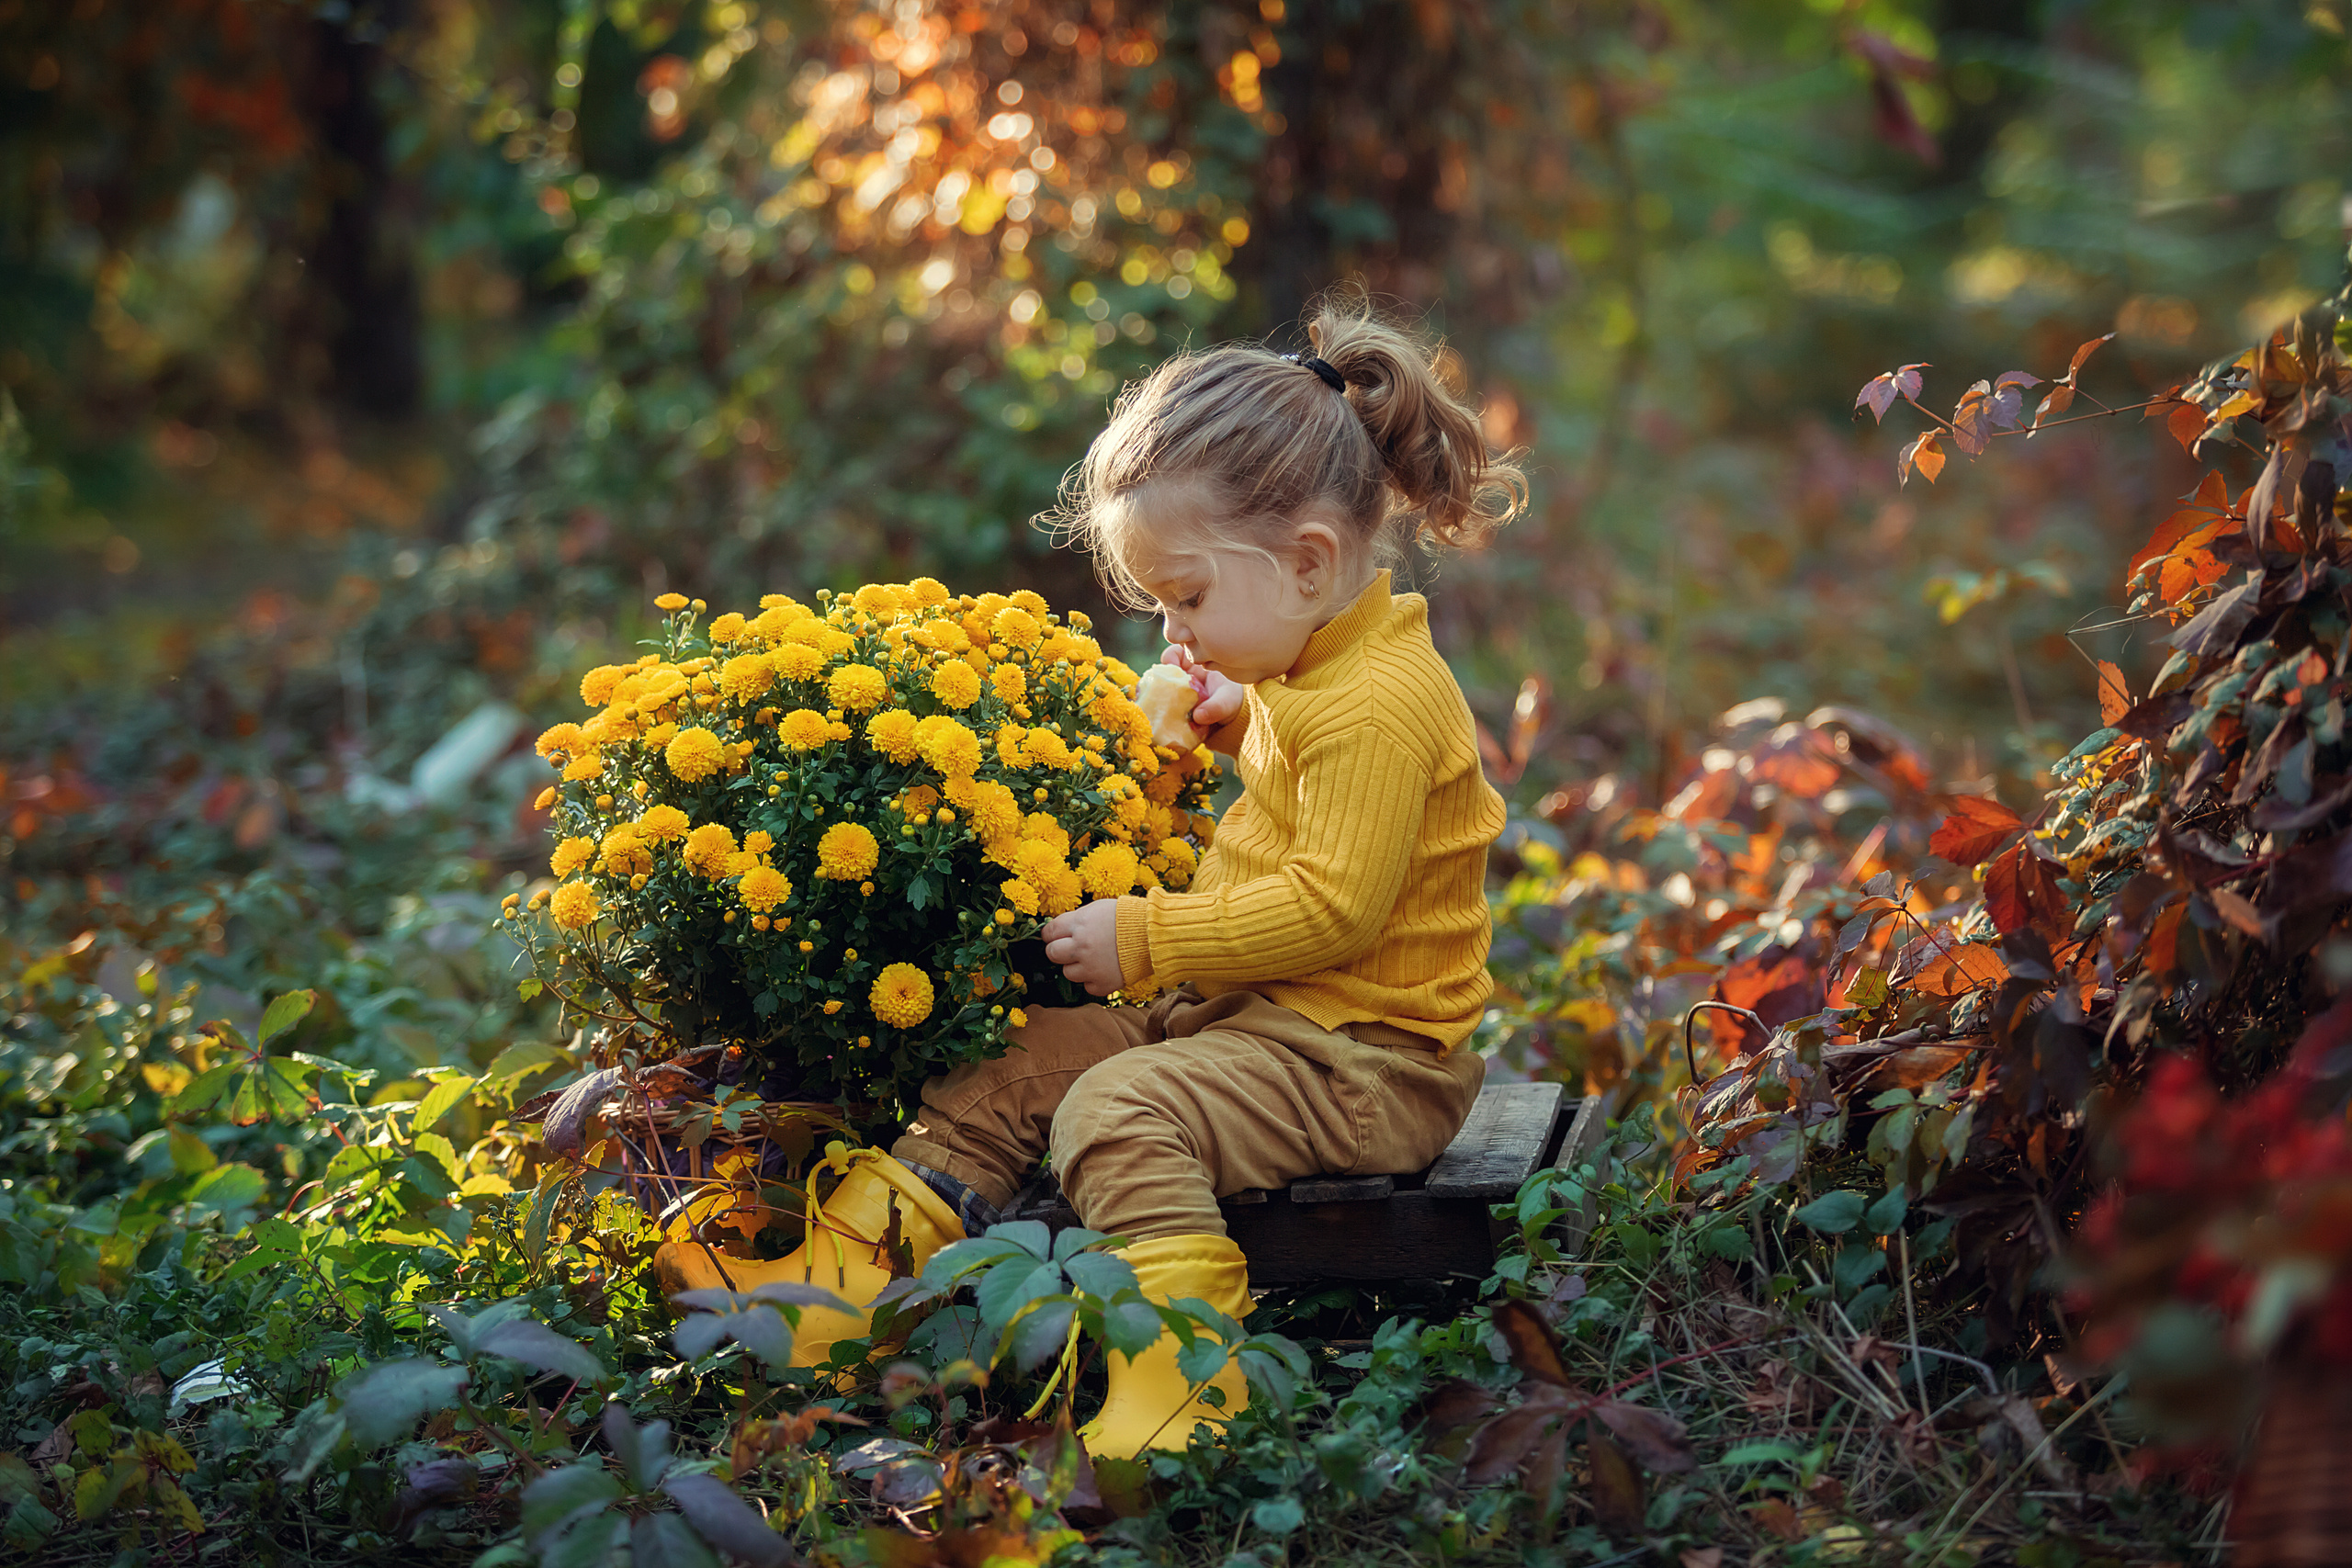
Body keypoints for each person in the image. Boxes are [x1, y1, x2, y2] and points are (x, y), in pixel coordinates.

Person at [665, 291, 1525, 1457]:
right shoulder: (1316, 670)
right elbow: (1312, 812)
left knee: (1115, 1109)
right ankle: (837, 1291)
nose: (1176, 632)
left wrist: (1148, 939)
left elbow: (1334, 909)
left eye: (1188, 596)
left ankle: (1191, 1373)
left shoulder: (1372, 702)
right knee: (1027, 1055)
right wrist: (1233, 730)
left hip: (1363, 1066)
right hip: (1271, 1028)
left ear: (1311, 562)